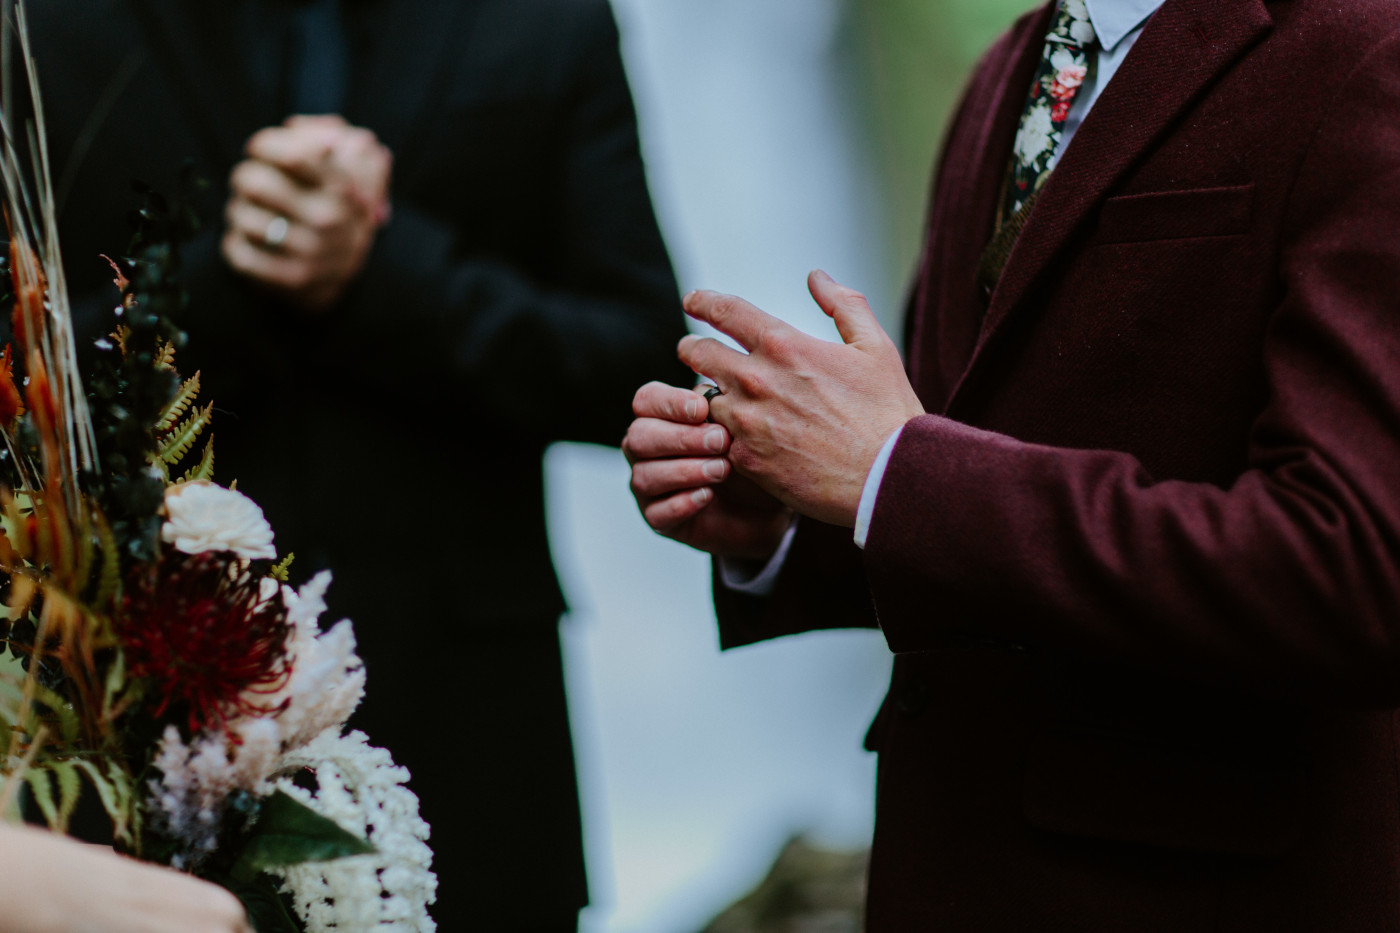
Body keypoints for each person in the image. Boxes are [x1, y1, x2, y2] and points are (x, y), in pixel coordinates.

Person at [625, 0, 1400, 929]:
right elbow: (959, 456)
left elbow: (1354, 566)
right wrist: (789, 516)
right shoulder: (1012, 68)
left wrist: (891, 475)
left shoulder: (1368, 47)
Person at [26, 0, 688, 929]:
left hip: (470, 739)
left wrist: (387, 271)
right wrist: (222, 279)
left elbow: (641, 367)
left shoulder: (547, 20)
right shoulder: (40, 25)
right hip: (124, 728)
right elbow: (20, 379)